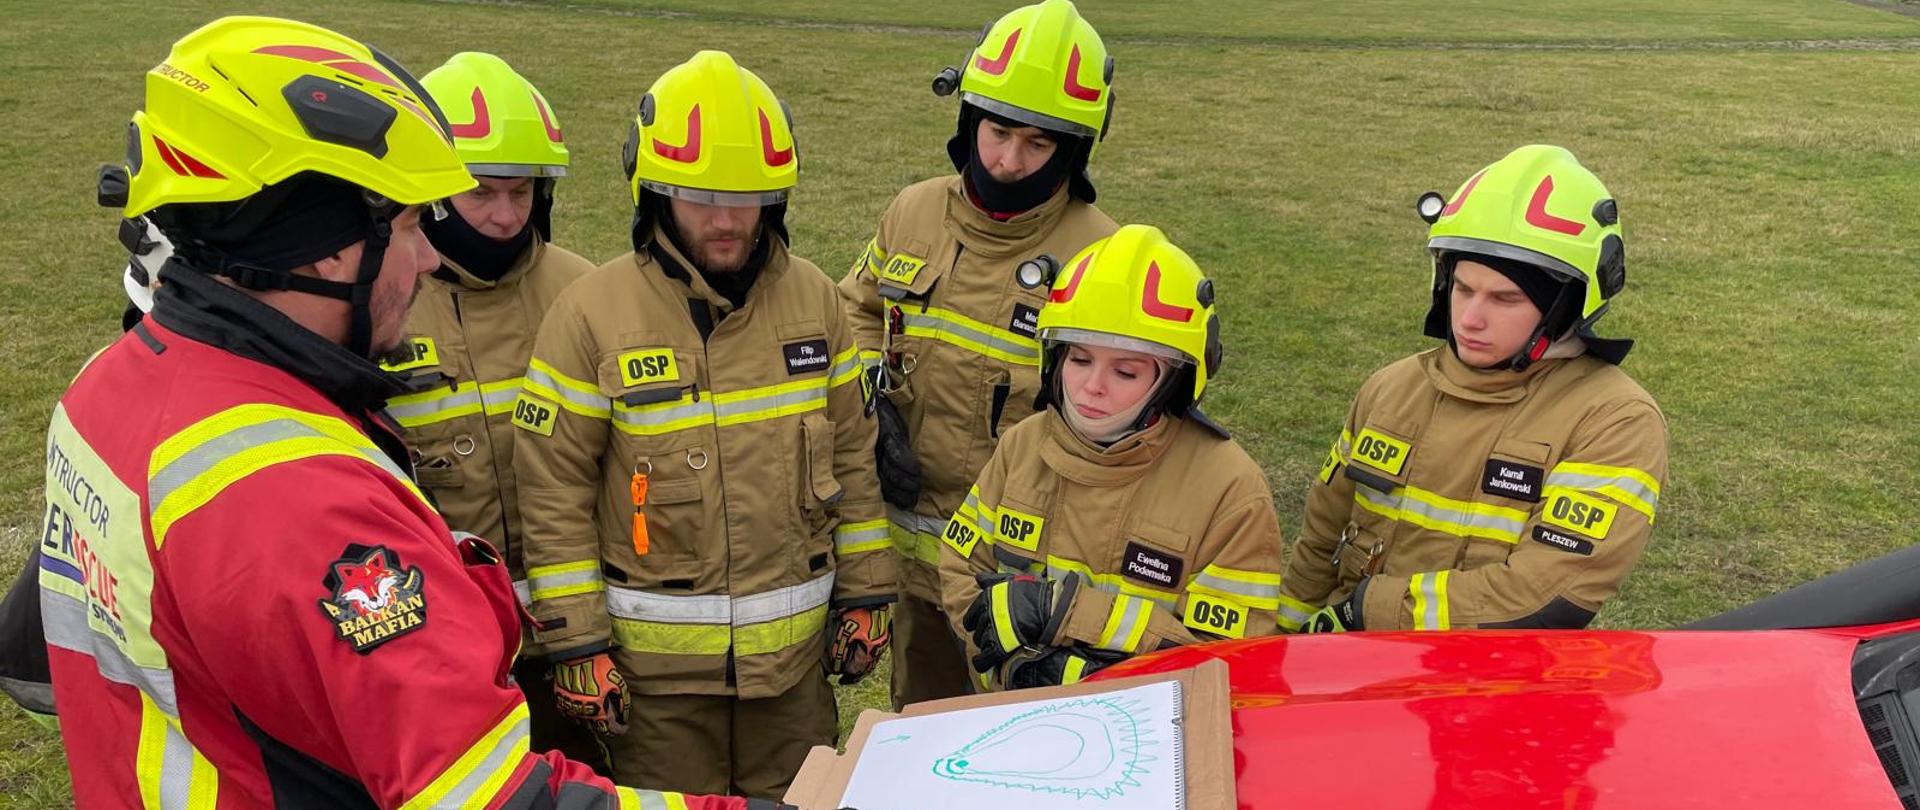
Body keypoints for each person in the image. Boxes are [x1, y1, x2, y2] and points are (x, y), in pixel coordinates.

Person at [38, 16, 764, 808]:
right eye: (413, 226)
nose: (427, 260)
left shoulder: (107, 385)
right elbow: (497, 800)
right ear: (322, 246)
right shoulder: (300, 499)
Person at [514, 50, 892, 798]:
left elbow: (853, 454)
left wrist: (870, 592)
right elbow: (553, 490)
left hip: (792, 681)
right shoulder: (591, 315)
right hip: (655, 692)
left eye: (747, 197)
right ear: (652, 193)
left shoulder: (818, 303)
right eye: (698, 196)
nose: (725, 220)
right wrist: (577, 640)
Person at [839, 0, 1119, 709]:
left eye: (1037, 144)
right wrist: (874, 387)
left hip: (1024, 574)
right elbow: (858, 310)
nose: (1008, 161)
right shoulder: (912, 211)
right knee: (922, 722)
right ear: (968, 119)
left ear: (1073, 149)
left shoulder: (1102, 254)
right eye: (997, 132)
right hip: (912, 555)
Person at [1279, 144, 1668, 633]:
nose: (1469, 319)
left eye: (1505, 298)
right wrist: (1283, 642)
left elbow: (1544, 593)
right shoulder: (1390, 388)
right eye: (1463, 288)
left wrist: (1365, 614)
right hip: (1340, 664)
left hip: (1483, 683)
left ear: (1565, 308)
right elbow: (1319, 540)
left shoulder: (1615, 420)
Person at [378, 50, 605, 770]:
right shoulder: (384, 305)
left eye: (522, 192)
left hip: (584, 638)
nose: (506, 216)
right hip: (441, 649)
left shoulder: (588, 294)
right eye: (482, 193)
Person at [937, 224, 1285, 690]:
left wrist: (1083, 648)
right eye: (1079, 360)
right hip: (1007, 715)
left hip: (1149, 736)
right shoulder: (1023, 445)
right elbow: (961, 565)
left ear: (1175, 381)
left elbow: (1227, 656)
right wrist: (1008, 664)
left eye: (1125, 370)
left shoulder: (1230, 489)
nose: (1092, 386)